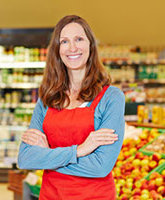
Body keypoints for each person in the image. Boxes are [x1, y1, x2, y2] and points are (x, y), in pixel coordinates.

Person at [18, 15, 125, 200]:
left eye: (79, 39)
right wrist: (79, 150)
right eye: (64, 41)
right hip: (51, 195)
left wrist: (49, 155)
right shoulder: (47, 98)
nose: (72, 48)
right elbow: (25, 158)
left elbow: (100, 166)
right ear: (57, 50)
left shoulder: (111, 98)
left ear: (90, 45)